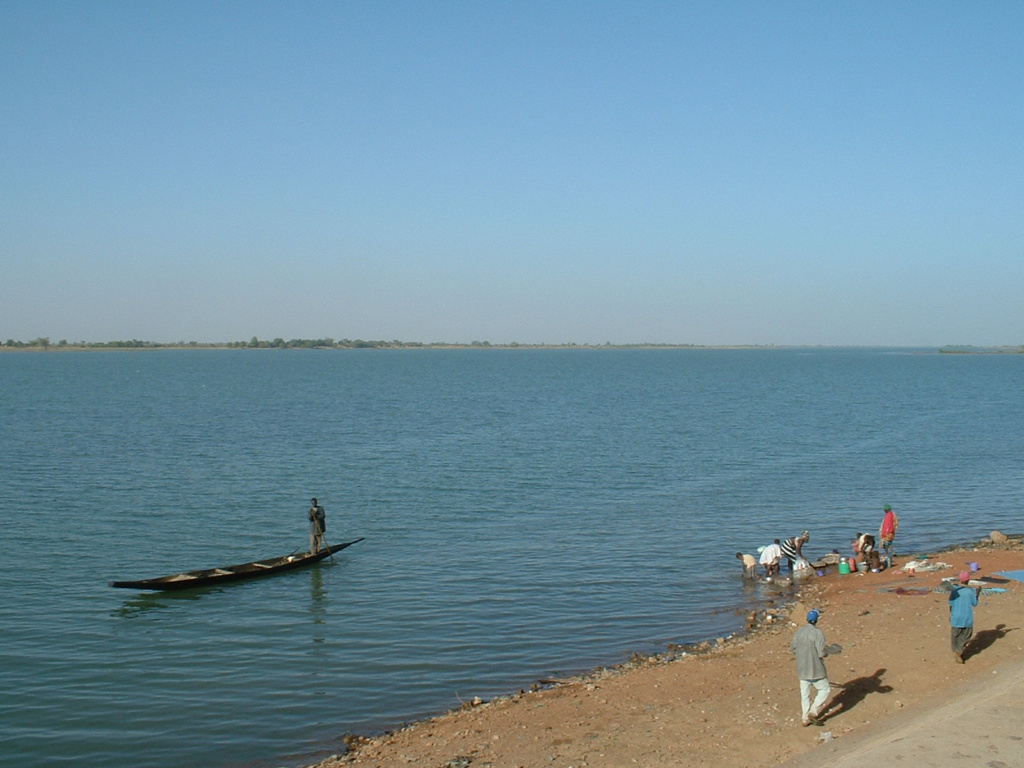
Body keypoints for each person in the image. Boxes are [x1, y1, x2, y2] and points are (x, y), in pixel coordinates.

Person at [791, 609, 833, 726]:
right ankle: (813, 712)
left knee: (805, 695)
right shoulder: (818, 633)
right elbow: (821, 653)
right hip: (816, 669)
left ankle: (805, 718)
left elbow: (793, 648)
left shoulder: (799, 632)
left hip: (802, 669)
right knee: (825, 689)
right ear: (816, 620)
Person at [949, 570, 980, 663]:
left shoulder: (954, 590)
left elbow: (950, 604)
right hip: (966, 617)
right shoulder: (970, 591)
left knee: (955, 636)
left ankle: (956, 651)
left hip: (956, 617)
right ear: (968, 580)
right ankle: (959, 651)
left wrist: (951, 615)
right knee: (966, 636)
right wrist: (978, 593)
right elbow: (974, 603)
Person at [879, 504, 899, 568]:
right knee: (889, 543)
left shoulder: (888, 516)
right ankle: (893, 552)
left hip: (888, 533)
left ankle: (888, 556)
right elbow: (894, 524)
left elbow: (887, 525)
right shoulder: (893, 514)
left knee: (886, 545)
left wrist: (884, 534)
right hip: (892, 532)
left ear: (885, 510)